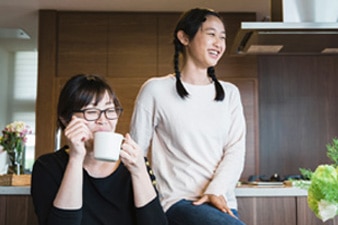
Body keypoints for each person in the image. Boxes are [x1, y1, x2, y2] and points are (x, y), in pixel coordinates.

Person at [130, 8, 246, 225]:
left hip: (221, 202)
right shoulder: (156, 90)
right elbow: (135, 154)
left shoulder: (230, 93)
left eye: (222, 37)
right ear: (184, 37)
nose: (219, 43)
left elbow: (236, 150)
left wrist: (215, 190)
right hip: (177, 203)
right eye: (211, 34)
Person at [31, 74, 168, 225]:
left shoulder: (133, 163)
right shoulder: (47, 167)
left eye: (110, 110)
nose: (103, 120)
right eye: (91, 112)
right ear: (66, 119)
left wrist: (139, 171)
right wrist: (75, 159)